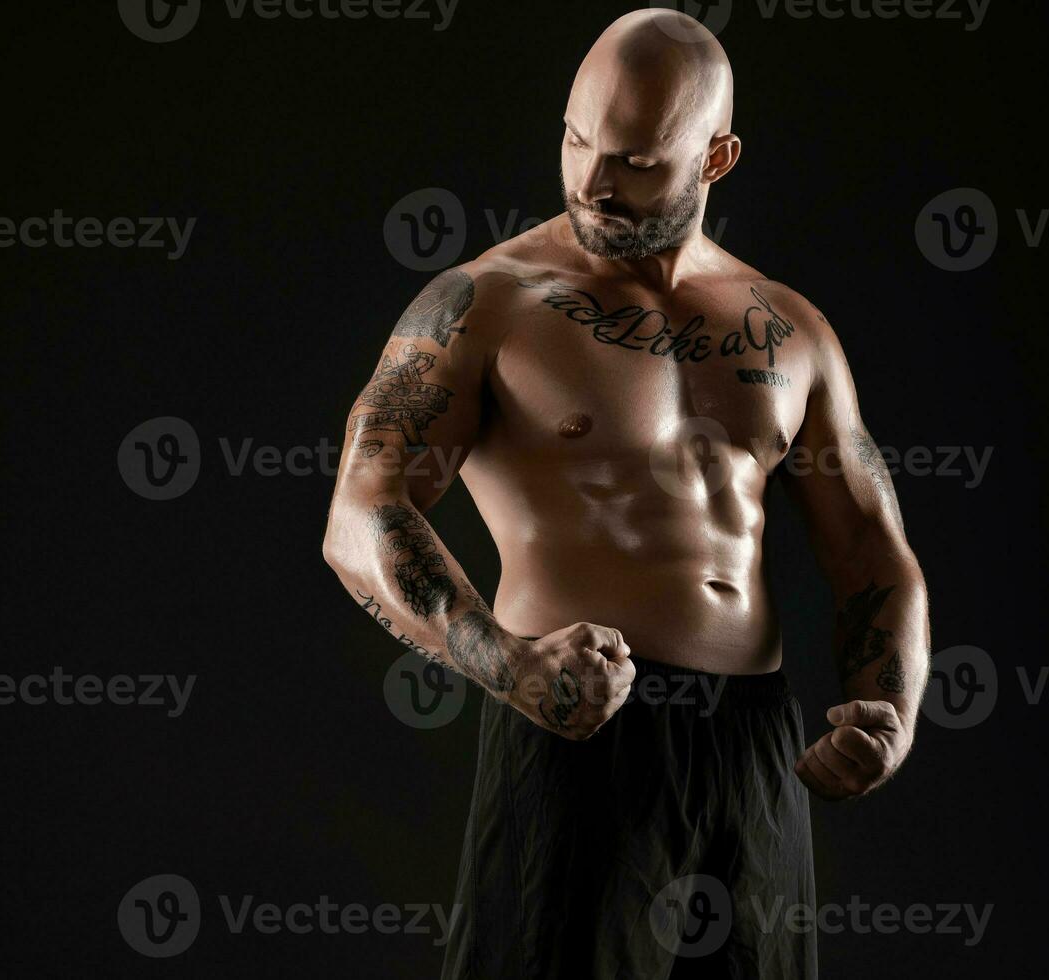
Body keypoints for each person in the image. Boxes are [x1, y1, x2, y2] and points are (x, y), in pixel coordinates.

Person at [321, 9, 930, 977]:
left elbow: (872, 551)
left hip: (752, 750)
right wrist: (511, 665)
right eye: (575, 139)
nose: (592, 182)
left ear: (716, 157)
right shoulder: (487, 303)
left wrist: (888, 711)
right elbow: (359, 516)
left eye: (637, 161)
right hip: (577, 736)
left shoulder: (789, 329)